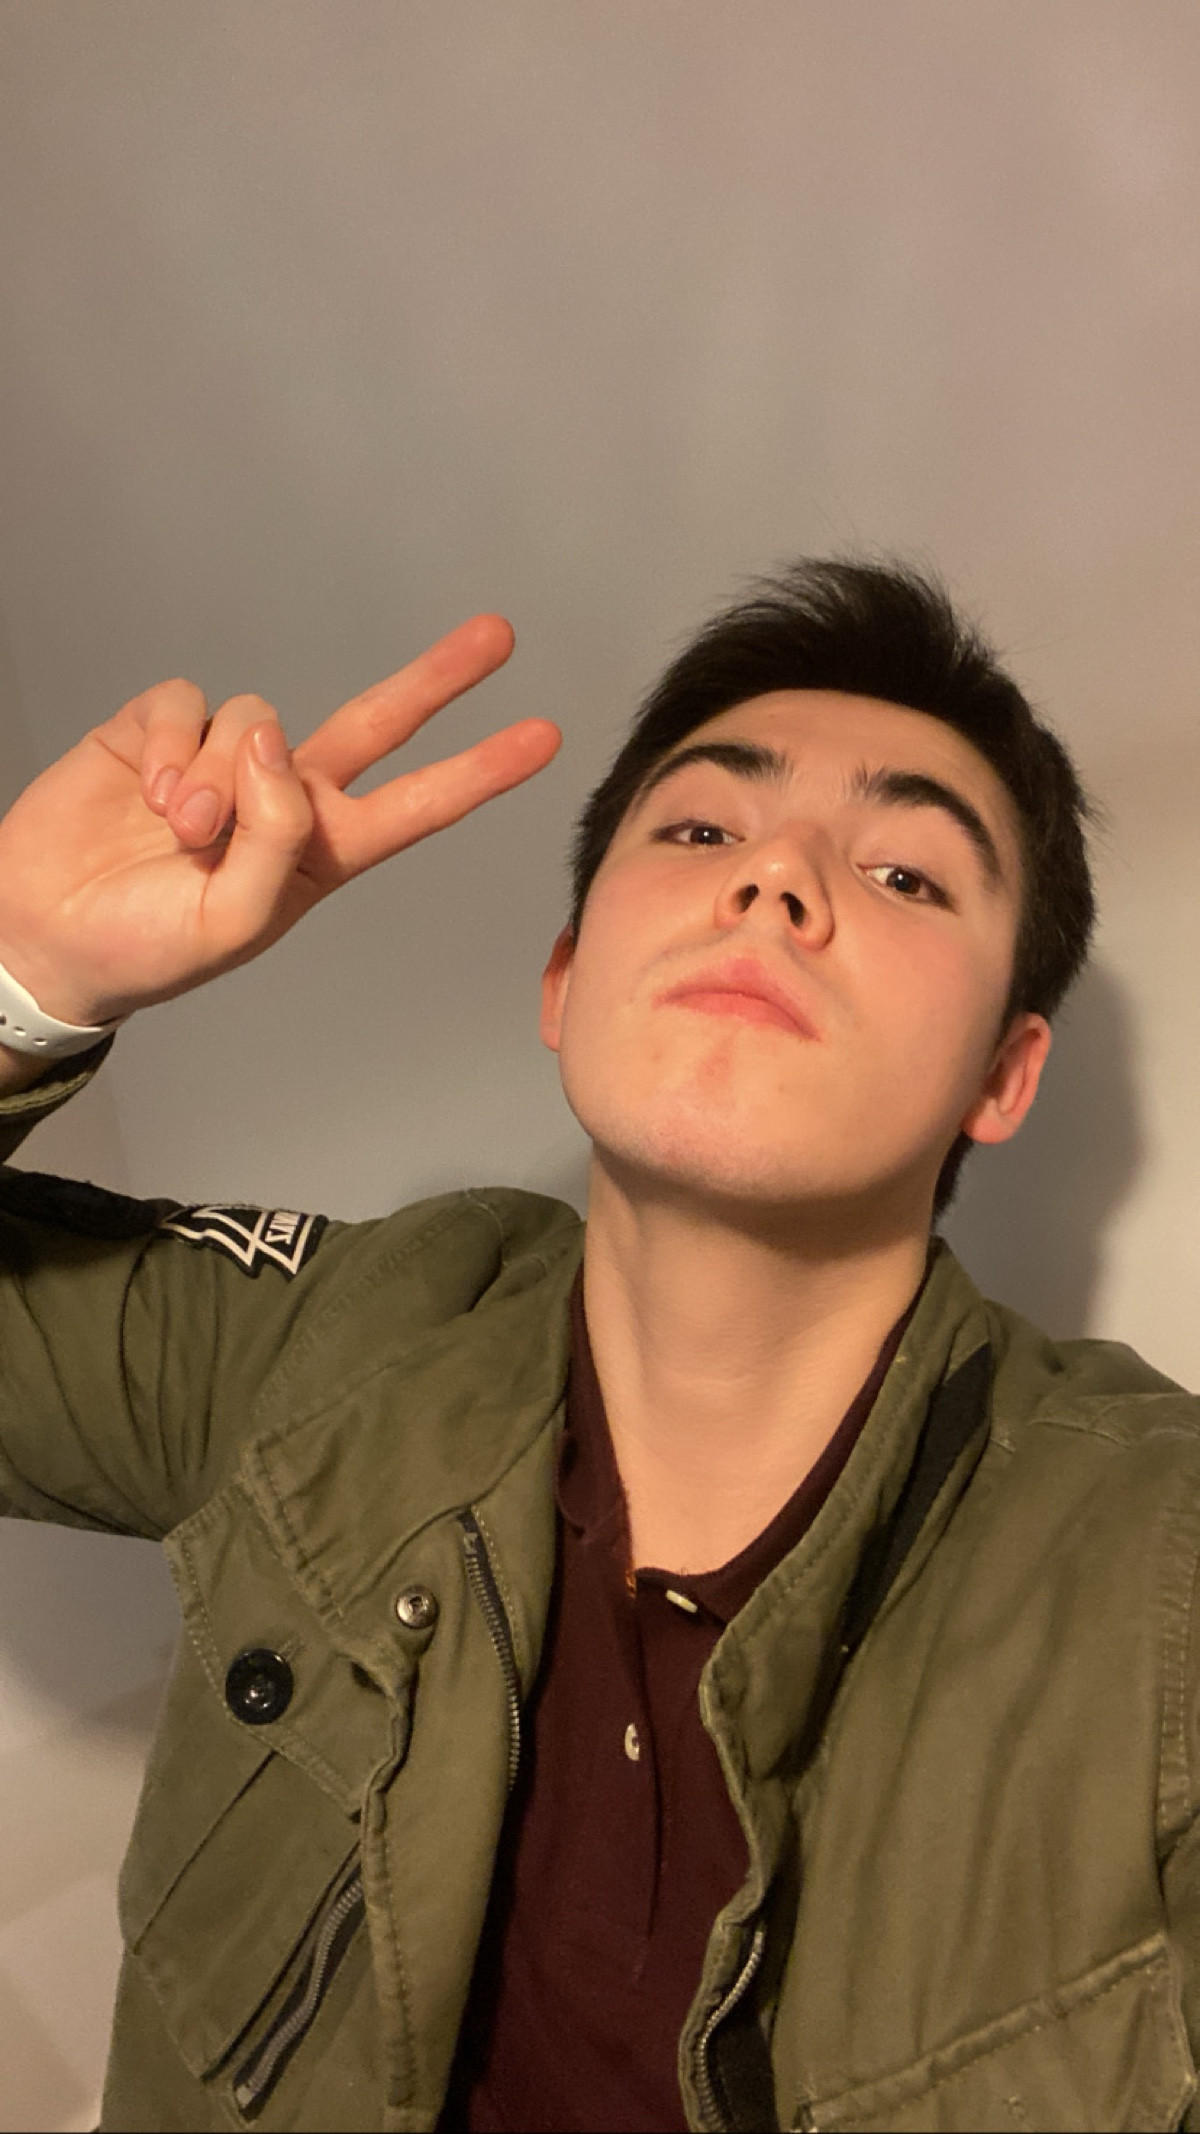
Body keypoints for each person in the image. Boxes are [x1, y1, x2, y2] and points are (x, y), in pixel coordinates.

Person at [0, 558, 1194, 2134]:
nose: (776, 881)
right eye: (702, 831)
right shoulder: (342, 1342)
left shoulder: (1154, 1567)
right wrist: (21, 978)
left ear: (1003, 1072)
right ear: (563, 980)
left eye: (906, 872)